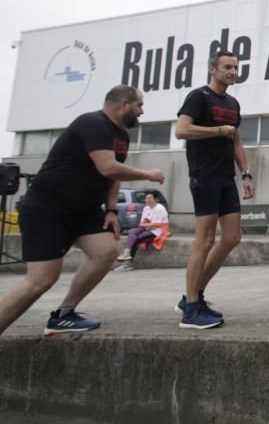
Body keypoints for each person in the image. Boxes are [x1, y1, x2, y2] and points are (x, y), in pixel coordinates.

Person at [0, 85, 165, 336]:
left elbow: (114, 176)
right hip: (49, 208)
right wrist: (148, 174)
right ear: (123, 104)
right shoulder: (92, 123)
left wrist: (111, 210)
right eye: (139, 105)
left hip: (84, 210)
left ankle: (64, 314)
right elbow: (108, 168)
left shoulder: (122, 135)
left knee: (106, 251)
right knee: (40, 280)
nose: (142, 111)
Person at [174, 50, 255, 330]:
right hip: (204, 176)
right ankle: (192, 310)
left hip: (226, 177)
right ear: (213, 69)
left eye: (236, 67)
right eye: (227, 67)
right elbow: (182, 130)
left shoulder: (233, 102)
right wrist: (217, 131)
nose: (232, 72)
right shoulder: (199, 97)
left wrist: (245, 173)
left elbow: (237, 142)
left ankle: (191, 297)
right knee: (205, 240)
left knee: (232, 237)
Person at [115, 190, 170, 268]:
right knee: (132, 232)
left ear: (155, 199)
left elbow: (155, 225)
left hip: (158, 230)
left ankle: (127, 264)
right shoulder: (146, 208)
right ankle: (126, 253)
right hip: (146, 228)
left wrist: (147, 224)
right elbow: (141, 223)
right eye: (146, 198)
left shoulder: (160, 208)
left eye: (150, 198)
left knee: (136, 239)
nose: (147, 200)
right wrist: (147, 225)